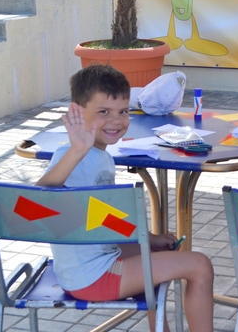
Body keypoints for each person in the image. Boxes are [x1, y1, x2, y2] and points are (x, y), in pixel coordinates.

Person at [37, 64, 214, 332]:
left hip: (90, 265)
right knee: (200, 266)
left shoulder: (102, 157)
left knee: (153, 251)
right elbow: (36, 200)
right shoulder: (71, 155)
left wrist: (149, 239)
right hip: (92, 276)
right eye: (104, 112)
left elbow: (99, 218)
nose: (116, 121)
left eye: (123, 111)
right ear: (77, 112)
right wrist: (76, 151)